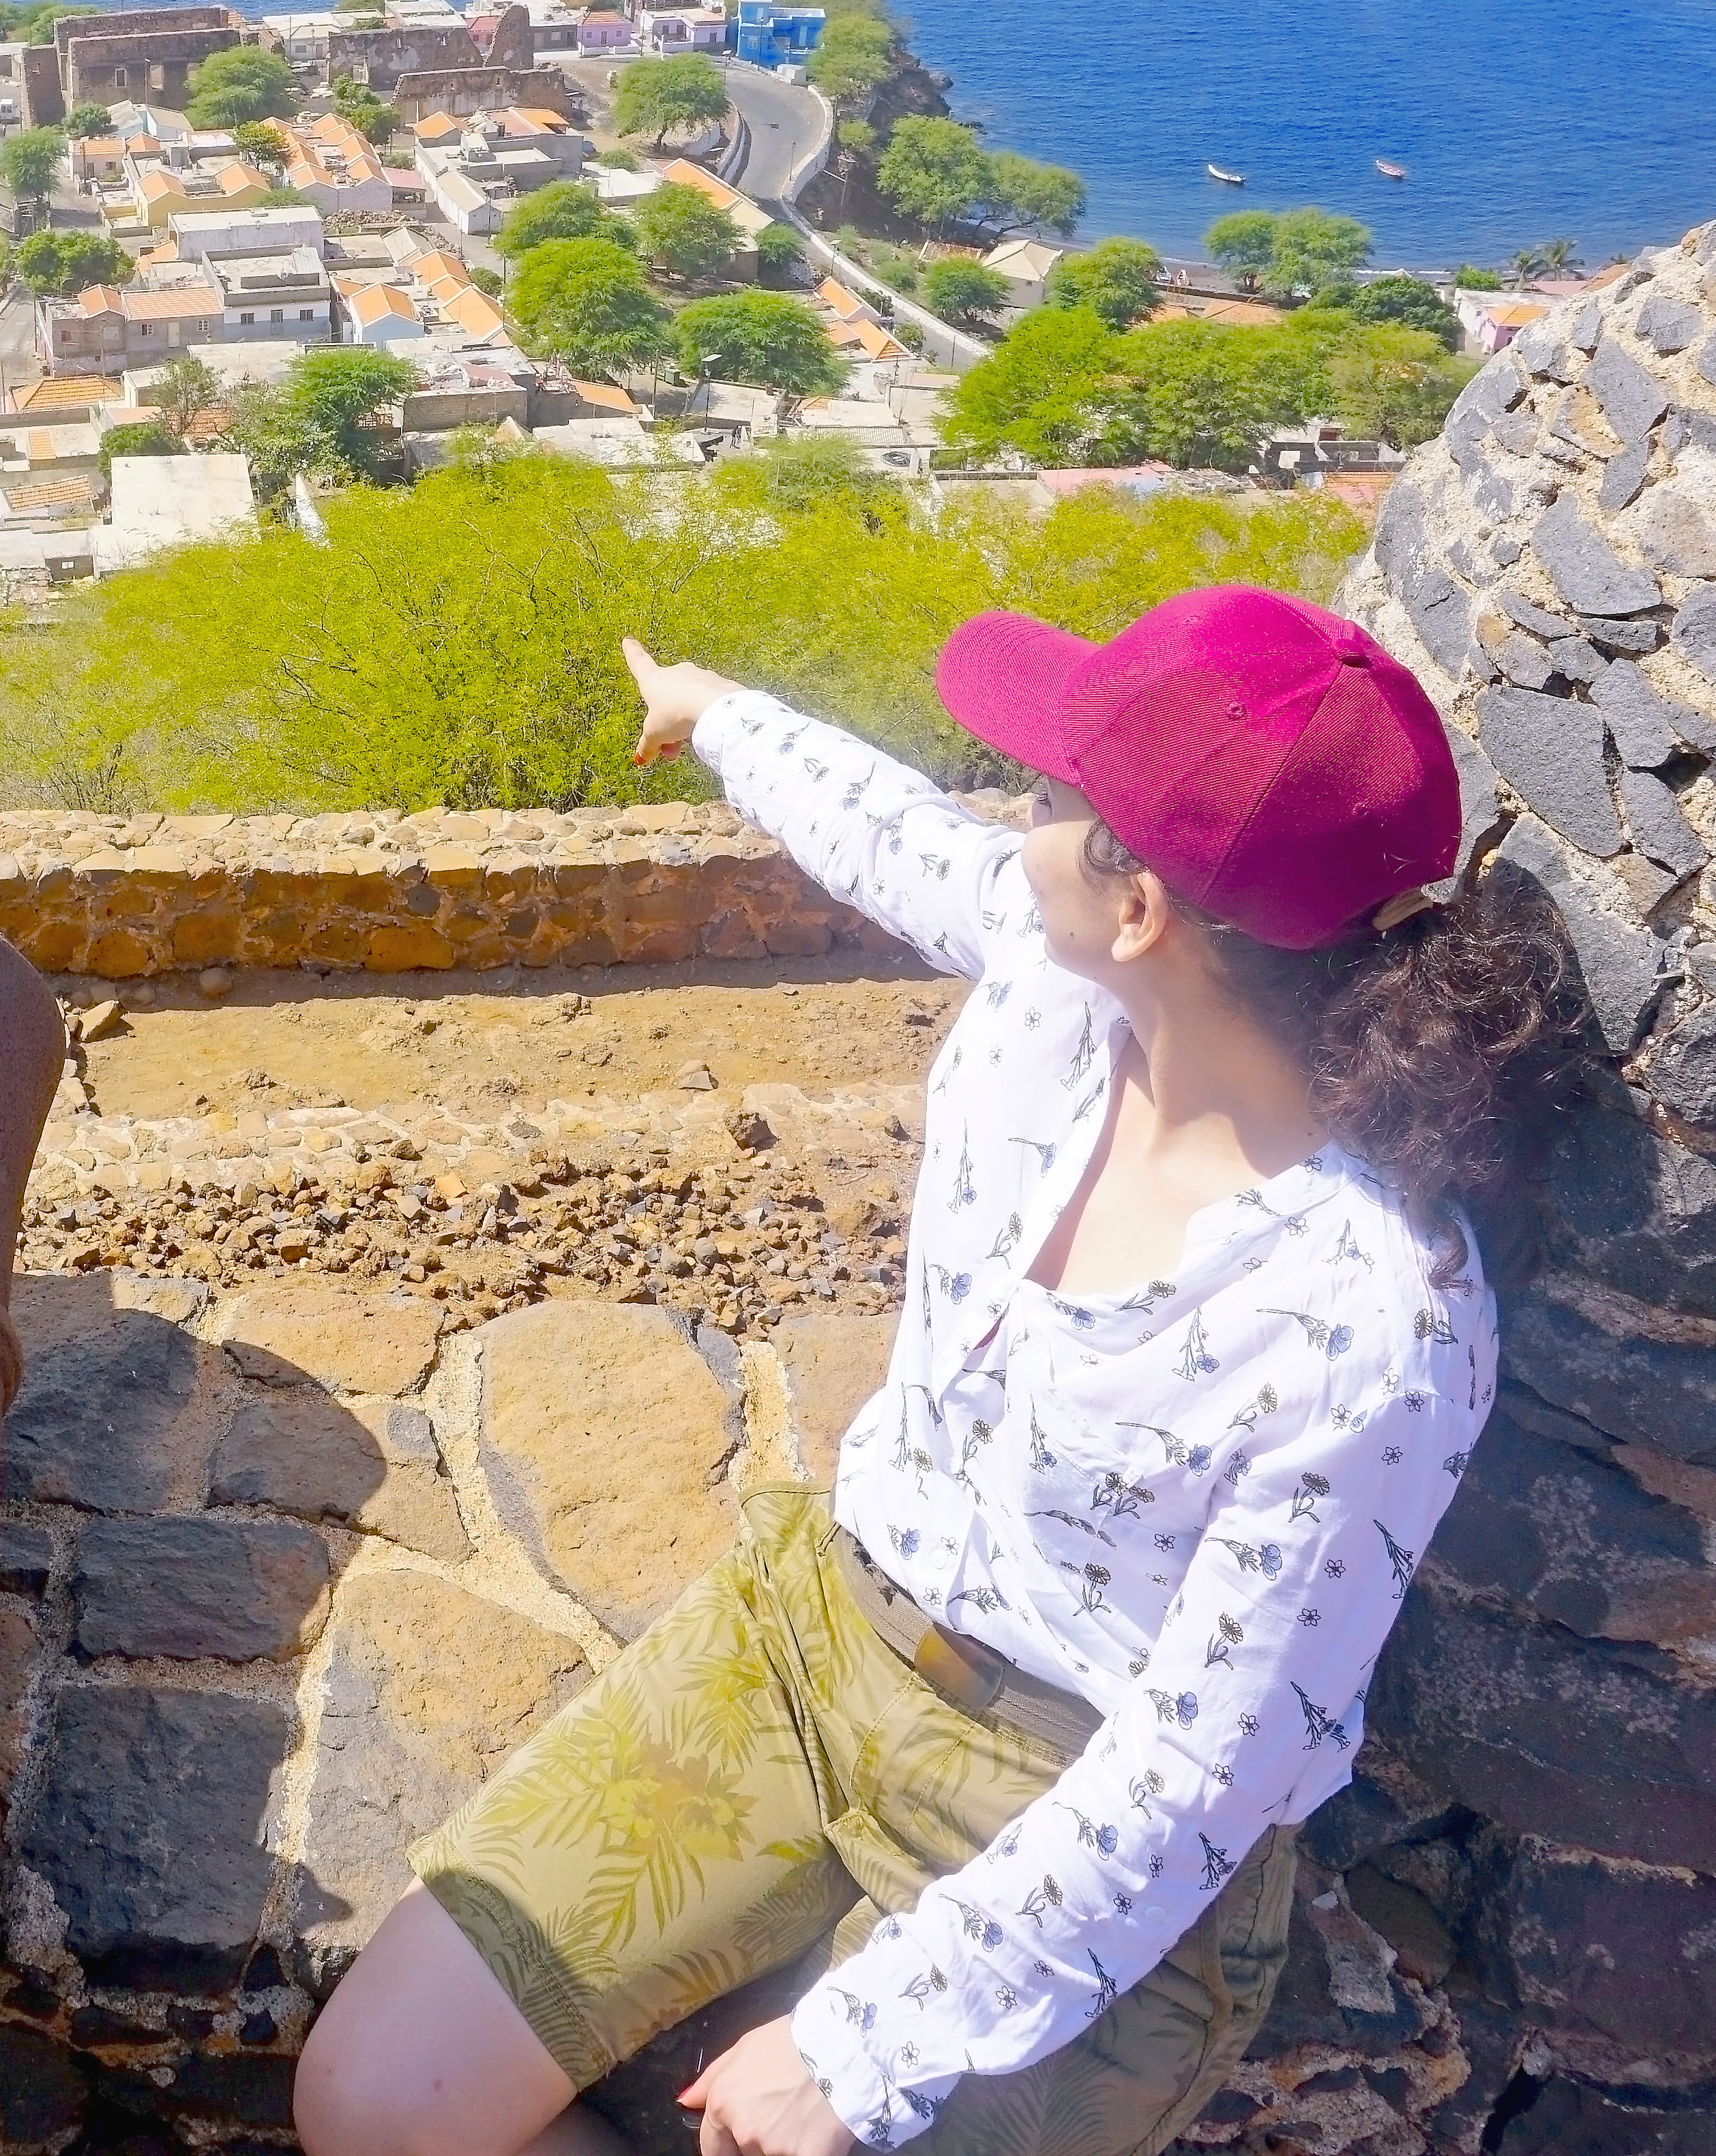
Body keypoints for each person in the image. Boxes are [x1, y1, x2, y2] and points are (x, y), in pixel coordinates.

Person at [298, 586, 1567, 2156]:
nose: (1011, 822)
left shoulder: (1373, 1317)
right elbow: (899, 836)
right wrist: (717, 715)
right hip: (824, 1631)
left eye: (1049, 801)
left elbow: (1205, 1762)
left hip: (1063, 1784)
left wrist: (857, 2045)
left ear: (1142, 907)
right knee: (374, 2101)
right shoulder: (1060, 990)